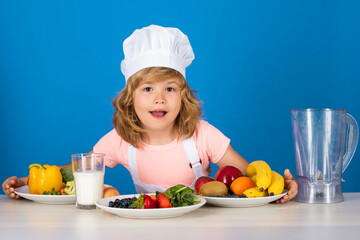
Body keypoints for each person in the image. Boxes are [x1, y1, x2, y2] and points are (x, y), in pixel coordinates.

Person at [2, 25, 297, 203]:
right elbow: (71, 176)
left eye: (170, 89)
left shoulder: (203, 134)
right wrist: (25, 182)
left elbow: (248, 178)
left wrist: (280, 188)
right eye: (147, 90)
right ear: (130, 99)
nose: (159, 98)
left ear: (183, 96)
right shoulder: (120, 140)